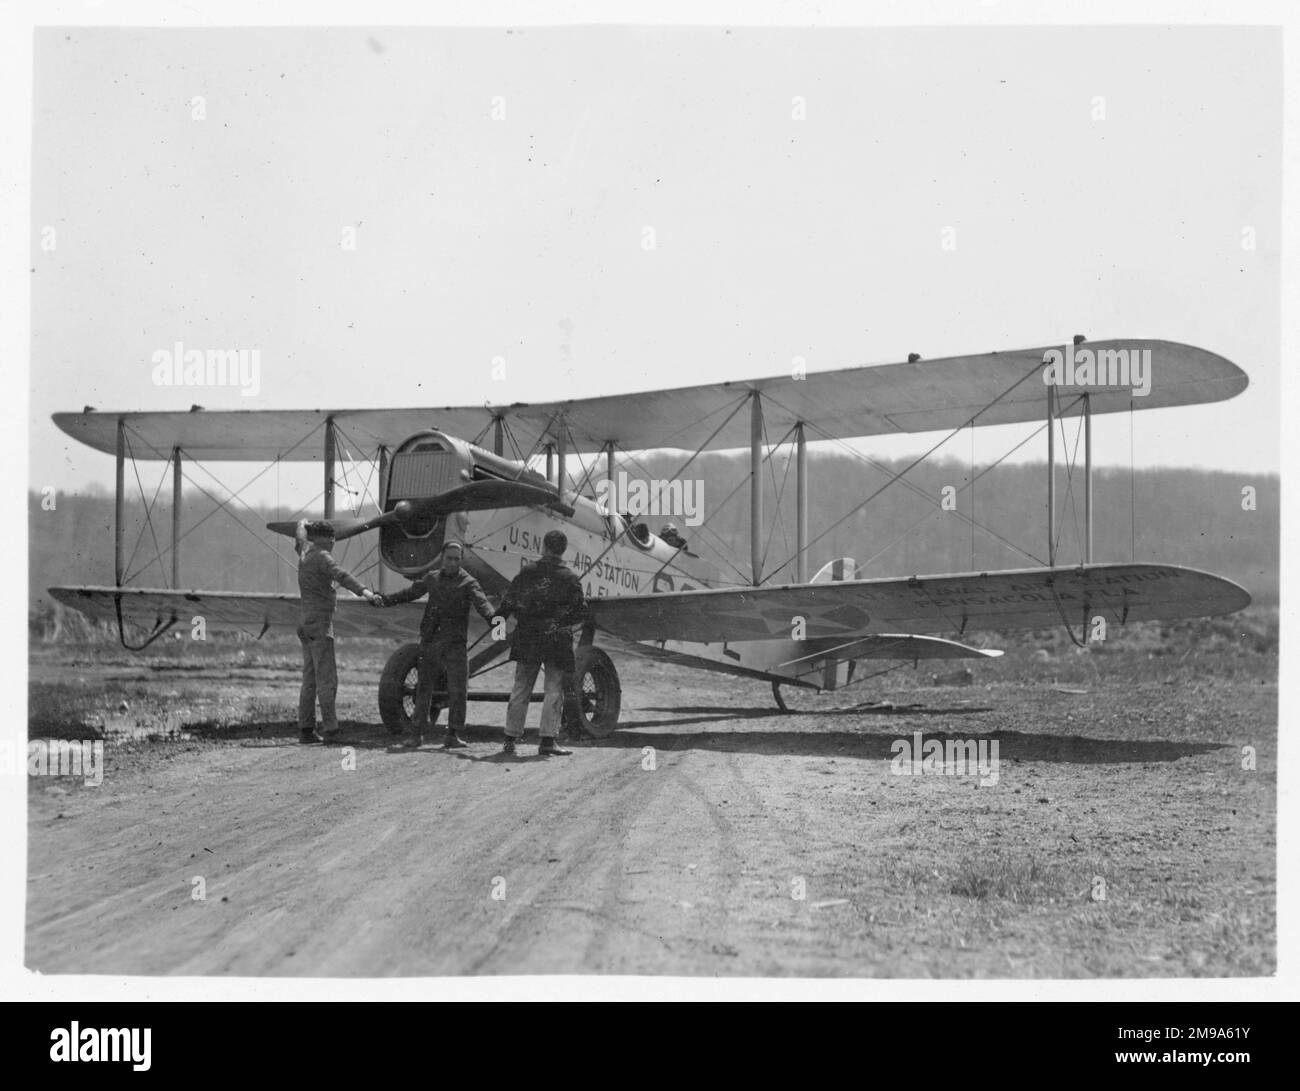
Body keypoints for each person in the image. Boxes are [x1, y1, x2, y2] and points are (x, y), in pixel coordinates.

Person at [376, 541, 496, 749]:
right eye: (449, 558)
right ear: (442, 558)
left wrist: (497, 622)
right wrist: (384, 600)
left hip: (455, 643)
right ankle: (416, 735)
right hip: (431, 640)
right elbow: (409, 594)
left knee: (458, 689)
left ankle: (453, 735)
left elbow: (484, 605)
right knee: (424, 688)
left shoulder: (469, 583)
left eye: (457, 559)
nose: (452, 562)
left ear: (461, 560)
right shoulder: (431, 578)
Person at [498, 529, 587, 756]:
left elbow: (507, 603)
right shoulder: (570, 577)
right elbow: (580, 612)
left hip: (527, 637)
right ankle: (547, 742)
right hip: (556, 641)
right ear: (563, 550)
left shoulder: (527, 572)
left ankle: (510, 739)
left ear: (544, 547)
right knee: (553, 690)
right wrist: (558, 623)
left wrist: (495, 625)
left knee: (521, 688)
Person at [295, 520, 378, 743]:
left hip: (304, 621)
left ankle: (306, 729)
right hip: (320, 623)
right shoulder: (322, 556)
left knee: (309, 678)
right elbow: (340, 575)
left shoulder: (304, 552)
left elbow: (299, 537)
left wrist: (302, 524)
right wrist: (366, 593)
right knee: (326, 678)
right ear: (323, 538)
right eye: (331, 537)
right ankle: (331, 729)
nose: (333, 542)